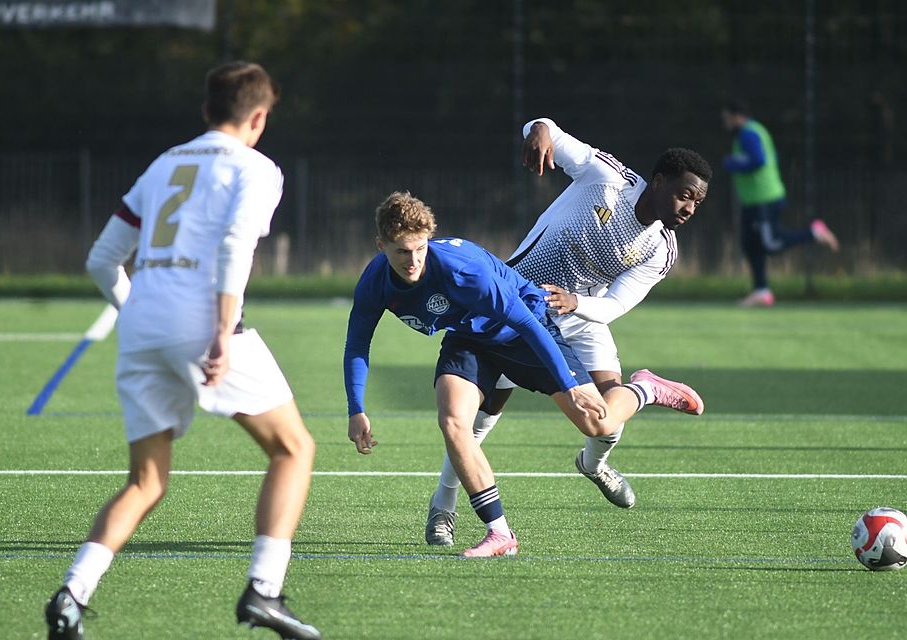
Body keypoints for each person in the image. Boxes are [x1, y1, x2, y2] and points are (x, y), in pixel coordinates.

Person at [44, 61, 321, 640]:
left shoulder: (165, 163)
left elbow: (101, 260)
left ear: (205, 110)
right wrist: (221, 331)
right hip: (202, 327)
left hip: (142, 328)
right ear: (260, 117)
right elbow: (234, 243)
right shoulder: (258, 168)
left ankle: (72, 594)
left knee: (146, 482)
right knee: (293, 449)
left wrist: (141, 314)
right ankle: (264, 593)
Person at [344, 190, 682, 558]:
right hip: (469, 339)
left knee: (596, 424)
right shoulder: (374, 282)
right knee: (454, 422)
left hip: (522, 331)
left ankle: (643, 389)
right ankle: (499, 533)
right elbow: (357, 345)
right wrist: (356, 409)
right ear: (381, 245)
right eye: (401, 251)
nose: (413, 261)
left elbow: (525, 323)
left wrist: (569, 386)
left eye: (420, 249)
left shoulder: (461, 271)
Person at [425, 118, 711, 546]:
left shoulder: (661, 249)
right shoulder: (606, 178)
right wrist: (538, 129)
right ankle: (442, 508)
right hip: (517, 308)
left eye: (696, 203)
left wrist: (577, 304)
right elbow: (546, 131)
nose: (689, 208)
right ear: (659, 180)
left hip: (583, 318)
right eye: (684, 195)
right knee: (478, 424)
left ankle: (595, 464)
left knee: (606, 420)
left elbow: (615, 305)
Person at [721, 100, 839, 307]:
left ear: (737, 116)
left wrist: (732, 163)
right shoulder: (754, 131)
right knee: (750, 244)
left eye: (727, 118)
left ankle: (814, 232)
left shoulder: (749, 134)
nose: (725, 123)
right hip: (753, 200)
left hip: (763, 199)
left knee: (770, 243)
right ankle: (761, 291)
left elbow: (758, 161)